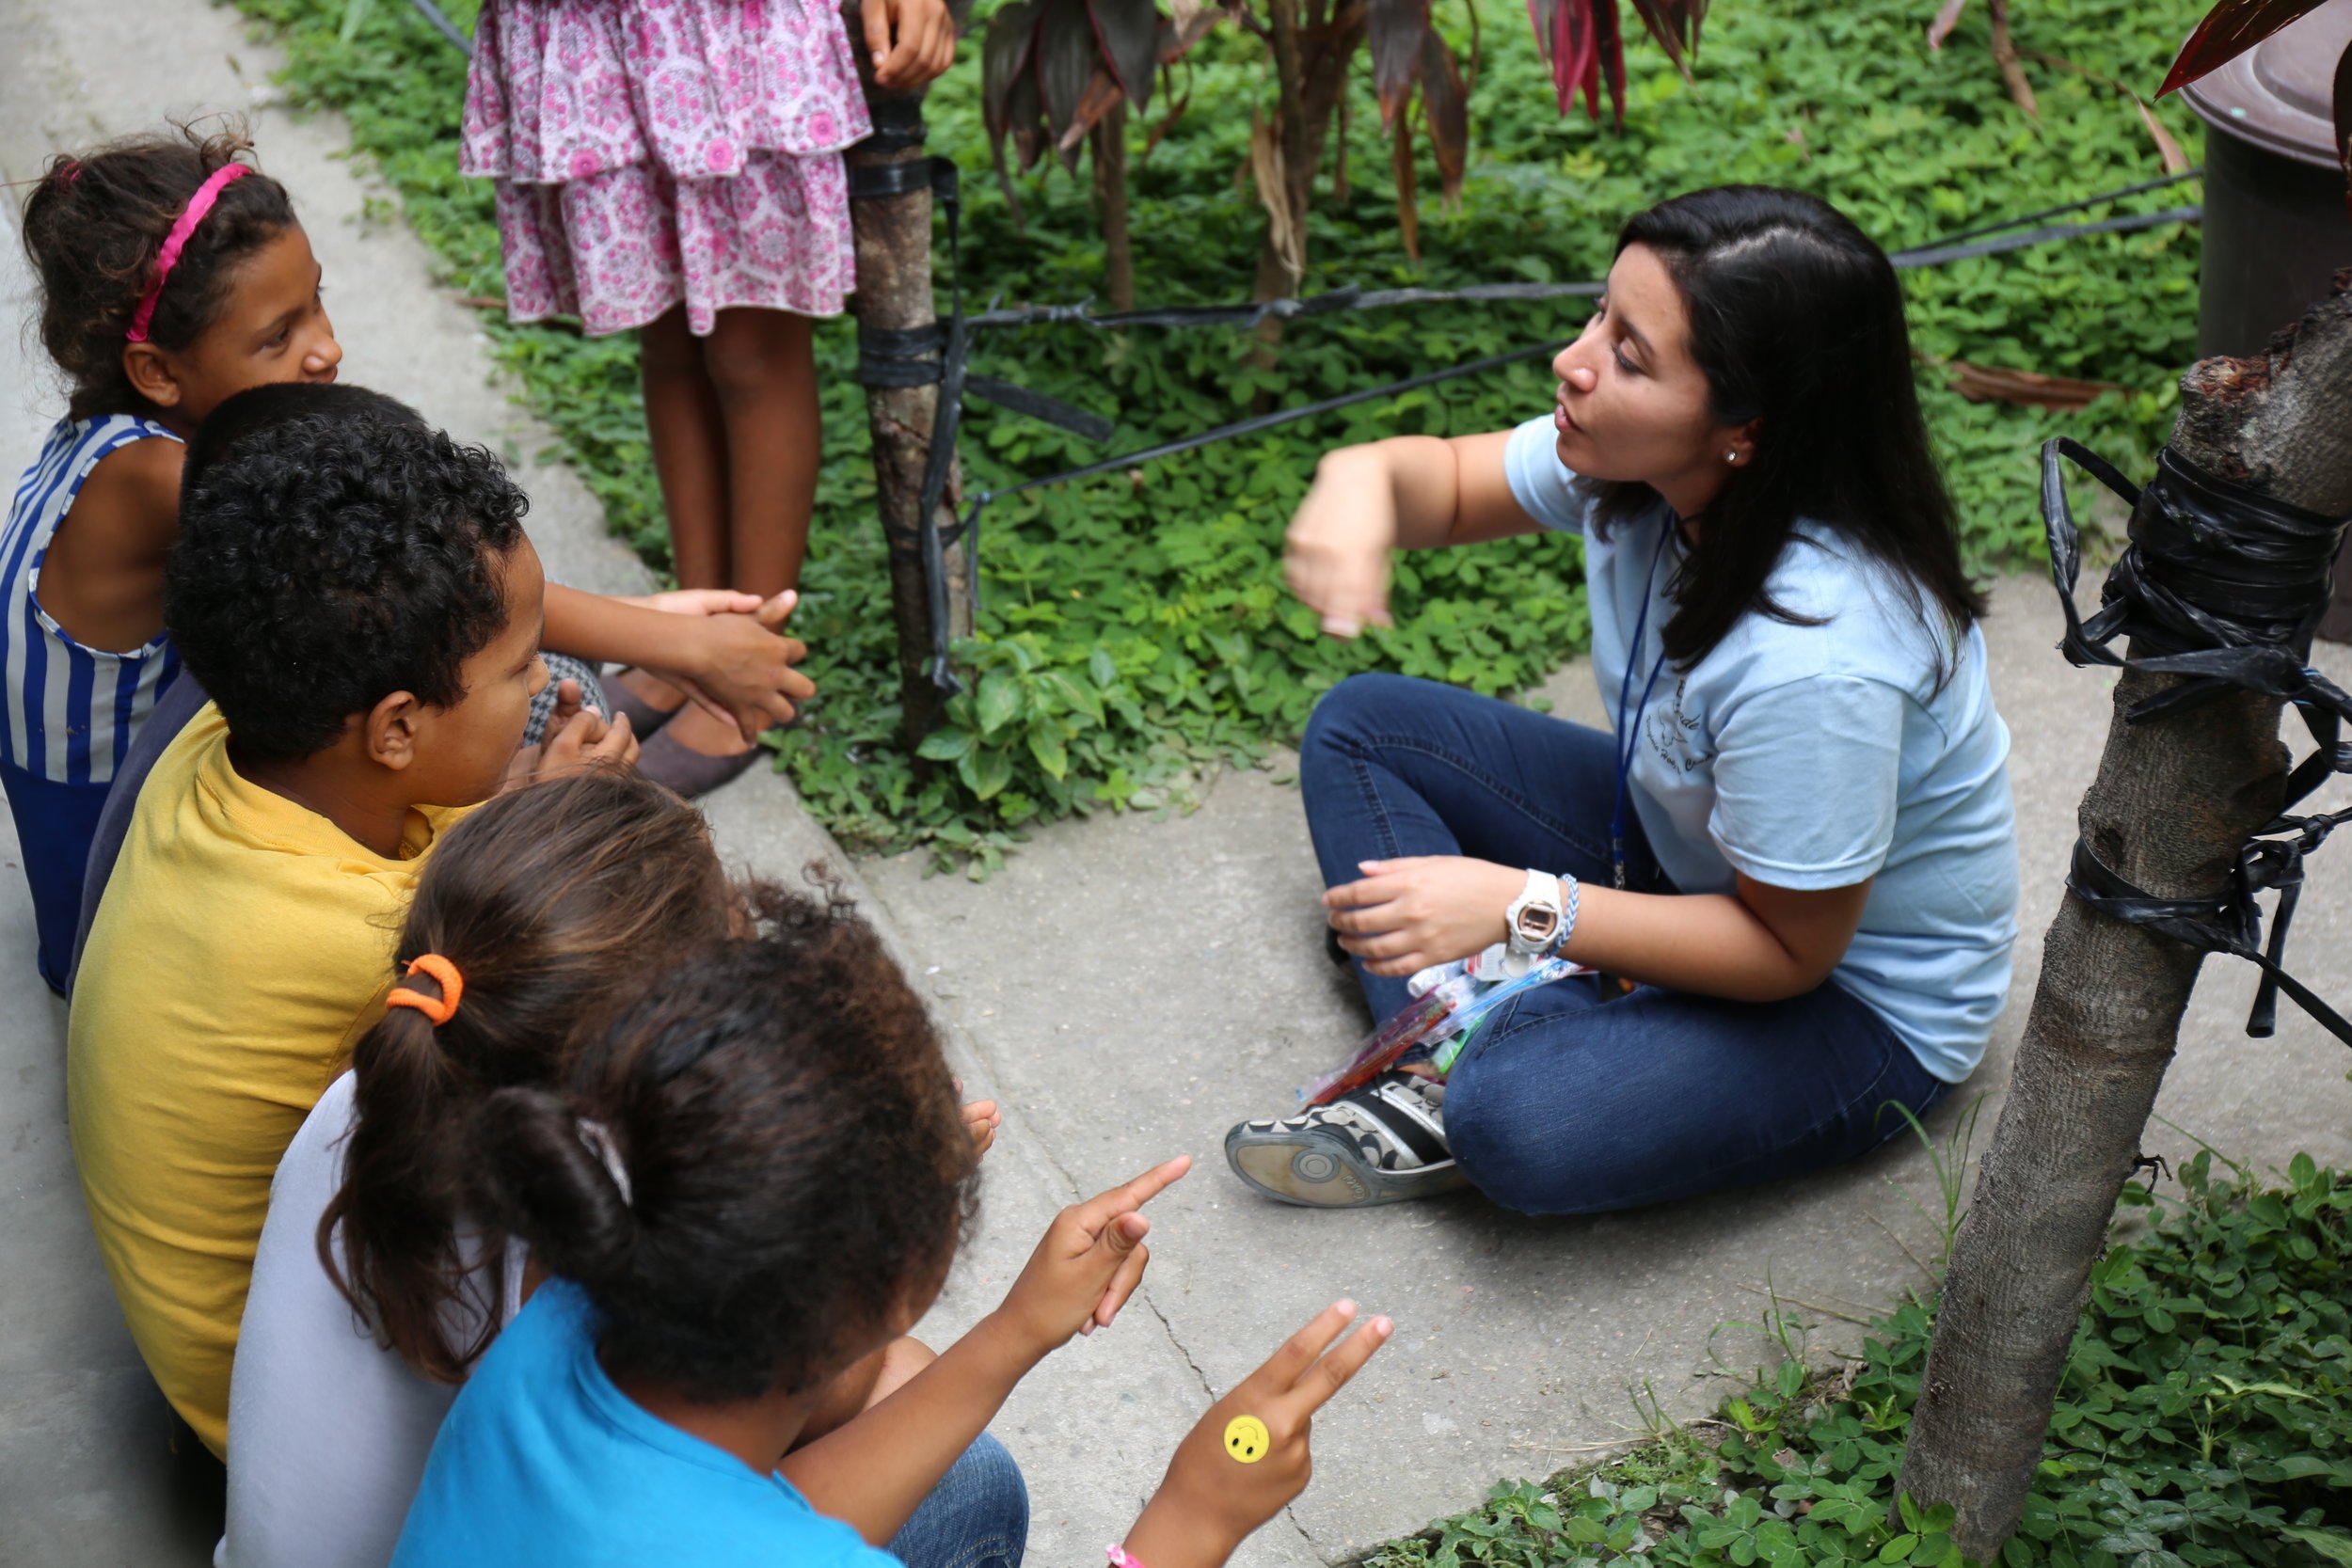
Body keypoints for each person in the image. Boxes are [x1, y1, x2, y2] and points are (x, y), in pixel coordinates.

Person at [1224, 185, 2020, 1212]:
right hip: (1687, 852)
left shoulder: (1819, 660)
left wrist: (1524, 906)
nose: (1574, 358)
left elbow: (1787, 951)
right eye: (1600, 312)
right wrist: (1357, 481)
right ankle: (1508, 1011)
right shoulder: (1642, 468)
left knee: (1520, 1122)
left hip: (1849, 1003)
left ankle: (1465, 1046)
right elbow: (1452, 484)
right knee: (1366, 726)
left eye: (1630, 353)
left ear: (1744, 426)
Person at [8, 128, 813, 990]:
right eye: (278, 336)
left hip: (135, 783)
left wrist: (653, 622)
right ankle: (560, 780)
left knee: (480, 654)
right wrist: (681, 643)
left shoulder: (121, 435)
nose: (327, 347)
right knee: (449, 654)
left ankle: (590, 717)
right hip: (119, 864)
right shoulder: (157, 479)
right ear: (156, 370)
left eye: (317, 302)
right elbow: (439, 571)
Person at [390, 901, 1392, 1566]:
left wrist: (1011, 1332)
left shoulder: (569, 1300)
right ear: (885, 1278)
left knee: (970, 1480)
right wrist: (1194, 1515)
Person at [225, 768, 1007, 1568]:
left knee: (908, 1383)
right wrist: (887, 1186)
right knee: (966, 1466)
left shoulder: (386, 1080)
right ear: (644, 1047)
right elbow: (785, 1362)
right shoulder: (567, 1221)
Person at [68, 394, 636, 1458]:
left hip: (226, 1343)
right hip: (299, 1420)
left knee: (583, 695)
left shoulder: (238, 731)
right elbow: (569, 1039)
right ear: (395, 730)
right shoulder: (355, 937)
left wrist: (516, 796)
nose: (539, 680)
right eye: (517, 667)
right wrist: (566, 828)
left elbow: (447, 809)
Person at [459, 0, 958, 788]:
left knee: (750, 346)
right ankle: (692, 644)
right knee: (662, 331)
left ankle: (748, 670)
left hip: (728, 34)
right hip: (589, 28)